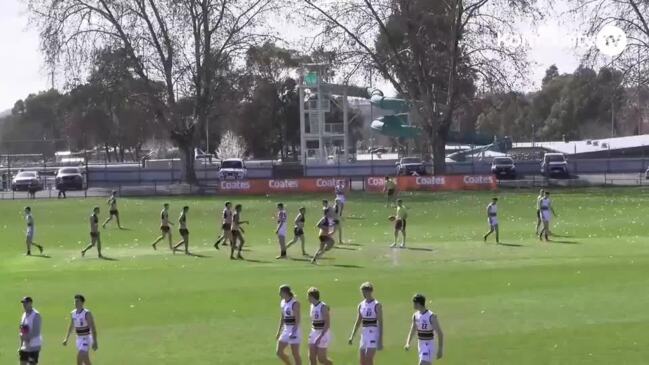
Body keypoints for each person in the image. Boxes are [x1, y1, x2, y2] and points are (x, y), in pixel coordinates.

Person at [348, 282, 383, 365]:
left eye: (364, 292)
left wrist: (380, 340)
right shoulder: (361, 305)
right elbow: (358, 321)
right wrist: (352, 336)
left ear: (369, 291)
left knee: (368, 358)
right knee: (362, 361)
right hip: (364, 334)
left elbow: (381, 323)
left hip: (373, 334)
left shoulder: (377, 305)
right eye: (362, 292)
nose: (363, 294)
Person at [404, 294, 444, 365]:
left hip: (428, 345)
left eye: (414, 303)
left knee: (422, 363)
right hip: (421, 345)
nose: (413, 305)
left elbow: (440, 333)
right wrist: (408, 343)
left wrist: (440, 349)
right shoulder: (415, 316)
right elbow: (413, 329)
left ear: (418, 304)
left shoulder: (431, 317)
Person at [63, 294, 98, 365]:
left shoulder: (87, 313)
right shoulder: (73, 313)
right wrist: (66, 338)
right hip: (78, 339)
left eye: (77, 301)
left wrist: (95, 341)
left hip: (86, 339)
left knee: (80, 357)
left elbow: (93, 328)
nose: (75, 303)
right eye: (75, 301)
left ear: (82, 302)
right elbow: (71, 326)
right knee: (85, 361)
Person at [276, 285, 302, 365]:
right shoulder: (282, 302)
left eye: (280, 292)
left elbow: (297, 320)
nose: (279, 294)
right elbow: (282, 317)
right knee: (279, 352)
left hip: (295, 330)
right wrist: (279, 331)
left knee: (295, 354)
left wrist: (293, 332)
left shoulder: (295, 303)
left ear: (285, 292)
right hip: (286, 330)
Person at [307, 287, 333, 365]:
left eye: (308, 296)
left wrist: (320, 337)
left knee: (321, 359)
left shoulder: (323, 307)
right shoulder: (312, 306)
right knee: (311, 357)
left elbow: (327, 324)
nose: (307, 298)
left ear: (311, 297)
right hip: (314, 331)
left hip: (323, 333)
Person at [19, 296, 42, 365]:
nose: (24, 305)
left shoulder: (36, 315)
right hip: (25, 346)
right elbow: (22, 328)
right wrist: (20, 346)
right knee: (22, 363)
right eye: (23, 303)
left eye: (26, 303)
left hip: (34, 346)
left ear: (30, 303)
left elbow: (36, 332)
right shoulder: (24, 315)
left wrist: (26, 338)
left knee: (32, 363)